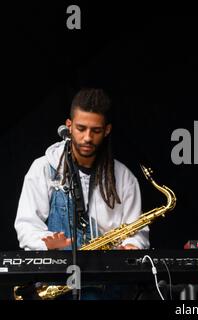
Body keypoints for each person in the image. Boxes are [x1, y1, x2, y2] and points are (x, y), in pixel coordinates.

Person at [14, 88, 149, 298]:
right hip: (58, 284)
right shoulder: (43, 169)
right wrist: (47, 240)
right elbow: (25, 227)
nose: (87, 137)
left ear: (107, 130)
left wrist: (133, 246)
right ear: (69, 126)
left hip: (109, 288)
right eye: (81, 128)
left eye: (95, 130)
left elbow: (138, 234)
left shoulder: (124, 178)